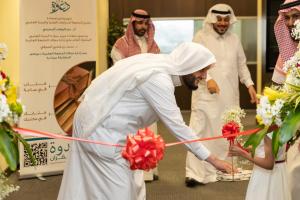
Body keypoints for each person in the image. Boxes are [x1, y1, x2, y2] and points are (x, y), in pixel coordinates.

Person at [57, 42, 233, 200]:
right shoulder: (158, 79)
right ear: (188, 65)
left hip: (109, 129)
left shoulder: (158, 65)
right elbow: (178, 127)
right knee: (119, 192)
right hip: (101, 132)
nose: (204, 76)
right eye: (202, 70)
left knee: (132, 186)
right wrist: (213, 160)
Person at [185, 4, 258, 187]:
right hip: (205, 96)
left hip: (228, 97)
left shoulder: (234, 39)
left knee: (224, 132)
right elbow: (193, 63)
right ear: (212, 20)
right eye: (220, 20)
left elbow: (241, 64)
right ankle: (194, 173)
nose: (223, 23)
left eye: (226, 20)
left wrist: (249, 85)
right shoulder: (200, 37)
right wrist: (208, 78)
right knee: (199, 131)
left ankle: (222, 168)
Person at [111, 9, 160, 181]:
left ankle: (149, 170)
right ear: (132, 23)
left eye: (146, 23)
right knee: (132, 133)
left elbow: (158, 69)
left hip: (148, 98)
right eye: (139, 23)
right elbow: (120, 72)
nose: (143, 27)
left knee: (149, 132)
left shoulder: (152, 45)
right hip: (129, 99)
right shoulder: (120, 45)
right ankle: (133, 169)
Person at [272, 1, 300, 199]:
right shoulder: (287, 54)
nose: (290, 23)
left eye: (296, 16)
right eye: (286, 18)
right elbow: (277, 91)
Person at [229, 133, 291, 200]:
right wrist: (244, 148)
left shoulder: (270, 131)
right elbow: (266, 147)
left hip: (266, 177)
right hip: (279, 173)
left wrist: (242, 153)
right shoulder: (279, 126)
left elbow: (269, 164)